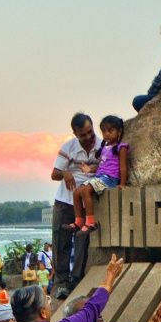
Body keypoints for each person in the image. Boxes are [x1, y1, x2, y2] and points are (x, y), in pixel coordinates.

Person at [51, 113, 102, 299]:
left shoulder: (102, 145)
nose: (88, 137)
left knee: (82, 242)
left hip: (87, 201)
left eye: (90, 132)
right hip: (65, 200)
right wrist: (65, 173)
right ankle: (61, 283)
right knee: (61, 241)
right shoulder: (68, 148)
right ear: (75, 133)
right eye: (83, 135)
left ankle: (77, 281)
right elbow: (54, 174)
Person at [67, 116, 129, 235]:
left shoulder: (120, 148)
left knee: (86, 191)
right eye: (104, 131)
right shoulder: (104, 148)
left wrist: (122, 183)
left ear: (119, 131)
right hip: (100, 177)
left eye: (110, 131)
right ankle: (79, 221)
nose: (106, 134)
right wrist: (90, 170)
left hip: (110, 179)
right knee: (76, 192)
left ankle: (91, 222)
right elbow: (102, 167)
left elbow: (123, 167)